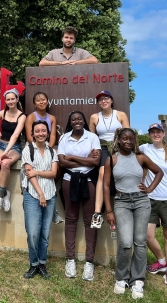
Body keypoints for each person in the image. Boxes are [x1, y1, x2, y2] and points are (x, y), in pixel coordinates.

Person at [103, 128, 163, 299]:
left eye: (131, 139)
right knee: (126, 242)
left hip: (141, 202)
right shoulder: (112, 160)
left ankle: (138, 280)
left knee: (140, 241)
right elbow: (106, 186)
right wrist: (109, 210)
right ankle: (121, 277)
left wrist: (149, 188)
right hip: (121, 202)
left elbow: (159, 172)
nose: (128, 142)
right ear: (119, 140)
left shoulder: (140, 157)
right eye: (125, 139)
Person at [58, 111, 101, 281]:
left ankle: (89, 262)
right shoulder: (64, 138)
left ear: (84, 121)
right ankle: (70, 260)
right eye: (74, 119)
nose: (77, 121)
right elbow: (62, 162)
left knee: (90, 220)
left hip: (89, 180)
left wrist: (73, 157)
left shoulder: (92, 137)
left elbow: (95, 162)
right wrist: (86, 159)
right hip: (69, 180)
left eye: (80, 119)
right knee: (71, 218)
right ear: (70, 122)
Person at [141, 123, 167, 288]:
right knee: (147, 235)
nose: (156, 134)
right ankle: (162, 260)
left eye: (158, 132)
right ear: (149, 134)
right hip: (150, 198)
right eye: (153, 132)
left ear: (163, 133)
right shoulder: (144, 148)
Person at [21, 120, 59, 279]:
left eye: (44, 131)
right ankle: (33, 264)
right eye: (37, 131)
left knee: (44, 233)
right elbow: (29, 175)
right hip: (32, 195)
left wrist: (37, 172)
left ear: (48, 132)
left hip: (50, 194)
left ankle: (42, 263)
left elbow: (53, 173)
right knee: (33, 233)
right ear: (33, 133)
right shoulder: (27, 150)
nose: (41, 134)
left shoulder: (52, 152)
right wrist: (40, 194)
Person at [89, 90, 130, 228]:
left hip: (119, 148)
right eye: (100, 99)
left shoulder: (120, 115)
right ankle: (97, 213)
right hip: (103, 148)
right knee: (102, 173)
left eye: (106, 98)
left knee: (120, 175)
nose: (103, 101)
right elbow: (91, 138)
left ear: (111, 100)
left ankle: (122, 208)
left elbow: (128, 135)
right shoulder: (95, 117)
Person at [24, 91, 63, 224]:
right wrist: (39, 146)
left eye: (44, 99)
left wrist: (49, 149)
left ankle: (52, 206)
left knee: (58, 163)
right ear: (34, 103)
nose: (41, 102)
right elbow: (30, 136)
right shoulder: (31, 117)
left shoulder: (51, 118)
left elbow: (52, 136)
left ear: (47, 101)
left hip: (47, 148)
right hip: (34, 148)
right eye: (38, 100)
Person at [0, 88, 26, 213]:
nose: (10, 101)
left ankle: (0, 197)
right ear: (5, 101)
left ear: (17, 99)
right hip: (1, 144)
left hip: (14, 147)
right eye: (8, 99)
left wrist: (6, 153)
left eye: (12, 99)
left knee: (5, 163)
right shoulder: (3, 113)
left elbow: (15, 135)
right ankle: (5, 193)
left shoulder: (22, 116)